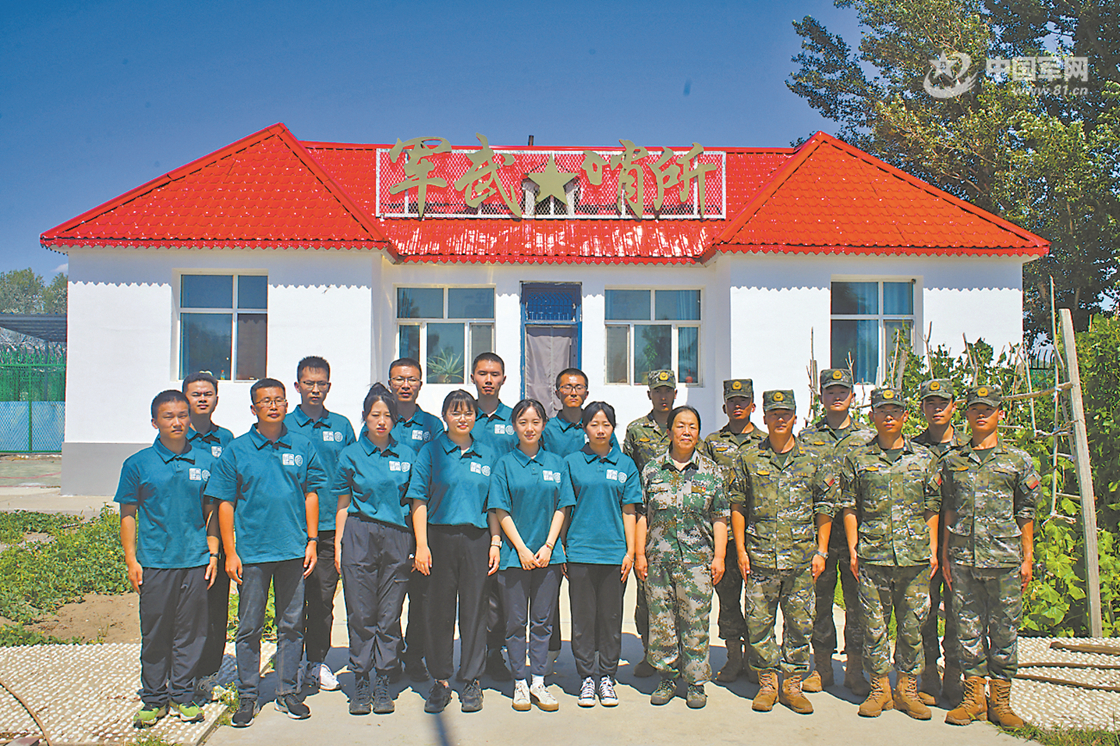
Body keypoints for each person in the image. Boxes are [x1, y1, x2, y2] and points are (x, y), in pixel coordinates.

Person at [207, 378, 327, 727]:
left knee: (292, 624)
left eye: (279, 400)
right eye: (265, 401)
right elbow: (225, 502)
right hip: (253, 553)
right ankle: (248, 694)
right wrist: (231, 552)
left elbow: (311, 494)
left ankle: (287, 691)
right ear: (253, 408)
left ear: (287, 404)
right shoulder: (237, 450)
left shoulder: (302, 445)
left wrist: (312, 540)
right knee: (250, 626)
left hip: (292, 550)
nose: (273, 406)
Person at [117, 390, 219, 728]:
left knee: (191, 633)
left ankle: (182, 695)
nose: (177, 422)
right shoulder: (138, 464)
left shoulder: (205, 461)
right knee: (156, 632)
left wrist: (213, 552)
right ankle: (154, 698)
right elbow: (128, 514)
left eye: (182, 415)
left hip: (195, 561)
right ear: (154, 422)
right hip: (155, 562)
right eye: (168, 416)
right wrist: (132, 560)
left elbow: (211, 512)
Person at [732, 390, 836, 715]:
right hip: (760, 557)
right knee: (759, 624)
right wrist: (741, 550)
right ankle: (767, 683)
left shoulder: (813, 459)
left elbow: (825, 506)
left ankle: (792, 685)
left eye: (786, 413)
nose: (780, 418)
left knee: (800, 624)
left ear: (795, 417)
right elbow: (737, 504)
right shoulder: (749, 458)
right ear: (763, 417)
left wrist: (821, 551)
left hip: (801, 559)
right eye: (774, 413)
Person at [839, 387, 941, 719]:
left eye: (895, 410)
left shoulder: (924, 458)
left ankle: (907, 690)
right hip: (873, 553)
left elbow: (932, 506)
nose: (888, 416)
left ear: (905, 416)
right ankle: (879, 688)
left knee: (913, 625)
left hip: (914, 556)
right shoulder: (858, 459)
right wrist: (853, 548)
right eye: (882, 410)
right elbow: (849, 507)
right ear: (872, 416)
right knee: (874, 625)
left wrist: (932, 548)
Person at [942, 384, 1039, 727]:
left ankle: (1001, 702)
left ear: (1001, 413)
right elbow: (948, 509)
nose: (981, 414)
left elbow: (1026, 512)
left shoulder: (1017, 461)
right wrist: (945, 554)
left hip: (1004, 559)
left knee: (1004, 630)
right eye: (975, 409)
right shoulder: (953, 461)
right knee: (967, 629)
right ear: (967, 414)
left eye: (988, 409)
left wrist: (1027, 557)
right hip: (963, 559)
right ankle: (973, 700)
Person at [406, 390, 500, 714]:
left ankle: (471, 679)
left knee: (475, 612)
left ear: (475, 417)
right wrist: (421, 545)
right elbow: (418, 499)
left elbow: (494, 505)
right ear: (445, 416)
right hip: (439, 539)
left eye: (468, 412)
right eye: (455, 412)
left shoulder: (487, 454)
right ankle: (440, 680)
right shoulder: (431, 452)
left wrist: (495, 542)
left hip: (477, 540)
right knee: (438, 612)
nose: (462, 418)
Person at [636, 405, 727, 710]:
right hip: (659, 560)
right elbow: (642, 515)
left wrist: (719, 557)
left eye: (692, 426)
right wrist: (640, 554)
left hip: (697, 561)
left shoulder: (711, 472)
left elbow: (720, 517)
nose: (686, 432)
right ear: (670, 431)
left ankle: (696, 682)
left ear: (698, 433)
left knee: (696, 622)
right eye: (680, 425)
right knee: (662, 622)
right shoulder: (652, 470)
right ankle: (667, 678)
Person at [332, 384, 415, 715]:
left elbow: (415, 503)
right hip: (359, 534)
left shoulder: (407, 456)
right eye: (375, 415)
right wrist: (339, 545)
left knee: (389, 614)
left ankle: (383, 679)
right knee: (361, 612)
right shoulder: (351, 454)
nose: (381, 421)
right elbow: (342, 503)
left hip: (397, 536)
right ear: (365, 417)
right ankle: (361, 680)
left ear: (395, 419)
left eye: (387, 416)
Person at [488, 399, 575, 711]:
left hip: (548, 556)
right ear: (514, 426)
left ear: (543, 426)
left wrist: (549, 546)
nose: (529, 428)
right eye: (523, 422)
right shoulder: (504, 464)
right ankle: (519, 682)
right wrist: (522, 548)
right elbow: (500, 509)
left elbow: (562, 506)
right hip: (515, 556)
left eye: (535, 422)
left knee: (542, 621)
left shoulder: (556, 463)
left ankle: (538, 680)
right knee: (515, 622)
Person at [799, 369, 874, 695]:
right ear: (822, 397)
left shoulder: (867, 438)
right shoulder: (807, 438)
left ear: (852, 397)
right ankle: (823, 667)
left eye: (843, 391)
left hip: (859, 535)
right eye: (831, 391)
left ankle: (855, 669)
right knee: (819, 602)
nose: (837, 396)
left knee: (857, 604)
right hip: (820, 536)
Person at [285, 356, 356, 692]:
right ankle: (290, 663)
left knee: (323, 598)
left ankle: (316, 662)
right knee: (291, 601)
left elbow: (355, 472)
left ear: (329, 386)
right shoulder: (283, 424)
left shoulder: (341, 426)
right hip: (291, 526)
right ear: (297, 386)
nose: (315, 389)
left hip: (329, 526)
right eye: (308, 383)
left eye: (321, 383)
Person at [564, 402, 641, 707]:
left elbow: (629, 510)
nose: (600, 430)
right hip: (580, 552)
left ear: (613, 427)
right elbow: (565, 509)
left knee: (610, 618)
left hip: (613, 554)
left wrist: (630, 551)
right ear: (584, 428)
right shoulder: (572, 462)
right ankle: (586, 676)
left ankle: (607, 676)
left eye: (606, 424)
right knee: (583, 619)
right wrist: (564, 548)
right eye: (594, 424)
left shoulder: (625, 465)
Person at [703, 379, 766, 684]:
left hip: (758, 535)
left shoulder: (765, 441)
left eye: (743, 400)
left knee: (757, 601)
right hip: (723, 536)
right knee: (728, 600)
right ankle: (733, 656)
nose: (737, 405)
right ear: (724, 406)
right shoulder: (713, 443)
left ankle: (755, 658)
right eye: (732, 401)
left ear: (753, 405)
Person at [388, 357, 444, 684]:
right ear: (390, 383)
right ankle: (391, 655)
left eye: (411, 379)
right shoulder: (381, 419)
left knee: (422, 597)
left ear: (421, 384)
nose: (405, 385)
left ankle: (415, 656)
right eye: (399, 379)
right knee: (390, 596)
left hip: (423, 522)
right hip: (390, 522)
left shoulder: (433, 426)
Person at [913, 378, 968, 707]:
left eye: (942, 403)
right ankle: (929, 674)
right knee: (925, 611)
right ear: (922, 408)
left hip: (962, 543)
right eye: (930, 403)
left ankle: (955, 675)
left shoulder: (968, 449)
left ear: (953, 407)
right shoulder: (913, 449)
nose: (936, 408)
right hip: (922, 542)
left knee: (960, 612)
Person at [181, 372, 235, 703]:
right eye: (196, 394)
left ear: (216, 398)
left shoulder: (225, 438)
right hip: (184, 537)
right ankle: (180, 672)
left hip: (219, 536)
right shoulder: (176, 434)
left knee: (215, 609)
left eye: (208, 394)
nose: (202, 399)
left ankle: (207, 674)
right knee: (184, 610)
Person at [622, 368, 676, 678]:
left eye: (668, 391)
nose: (663, 396)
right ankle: (649, 651)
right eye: (658, 391)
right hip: (646, 520)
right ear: (649, 394)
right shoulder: (636, 430)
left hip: (679, 522)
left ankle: (676, 653)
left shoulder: (682, 424)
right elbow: (627, 472)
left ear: (675, 394)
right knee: (646, 592)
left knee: (676, 592)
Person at [469, 352, 516, 682]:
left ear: (503, 379)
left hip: (504, 516)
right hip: (469, 515)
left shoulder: (514, 419)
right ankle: (470, 652)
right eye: (483, 373)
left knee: (500, 592)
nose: (488, 379)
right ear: (472, 377)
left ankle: (495, 652)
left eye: (494, 374)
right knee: (472, 590)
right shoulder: (463, 414)